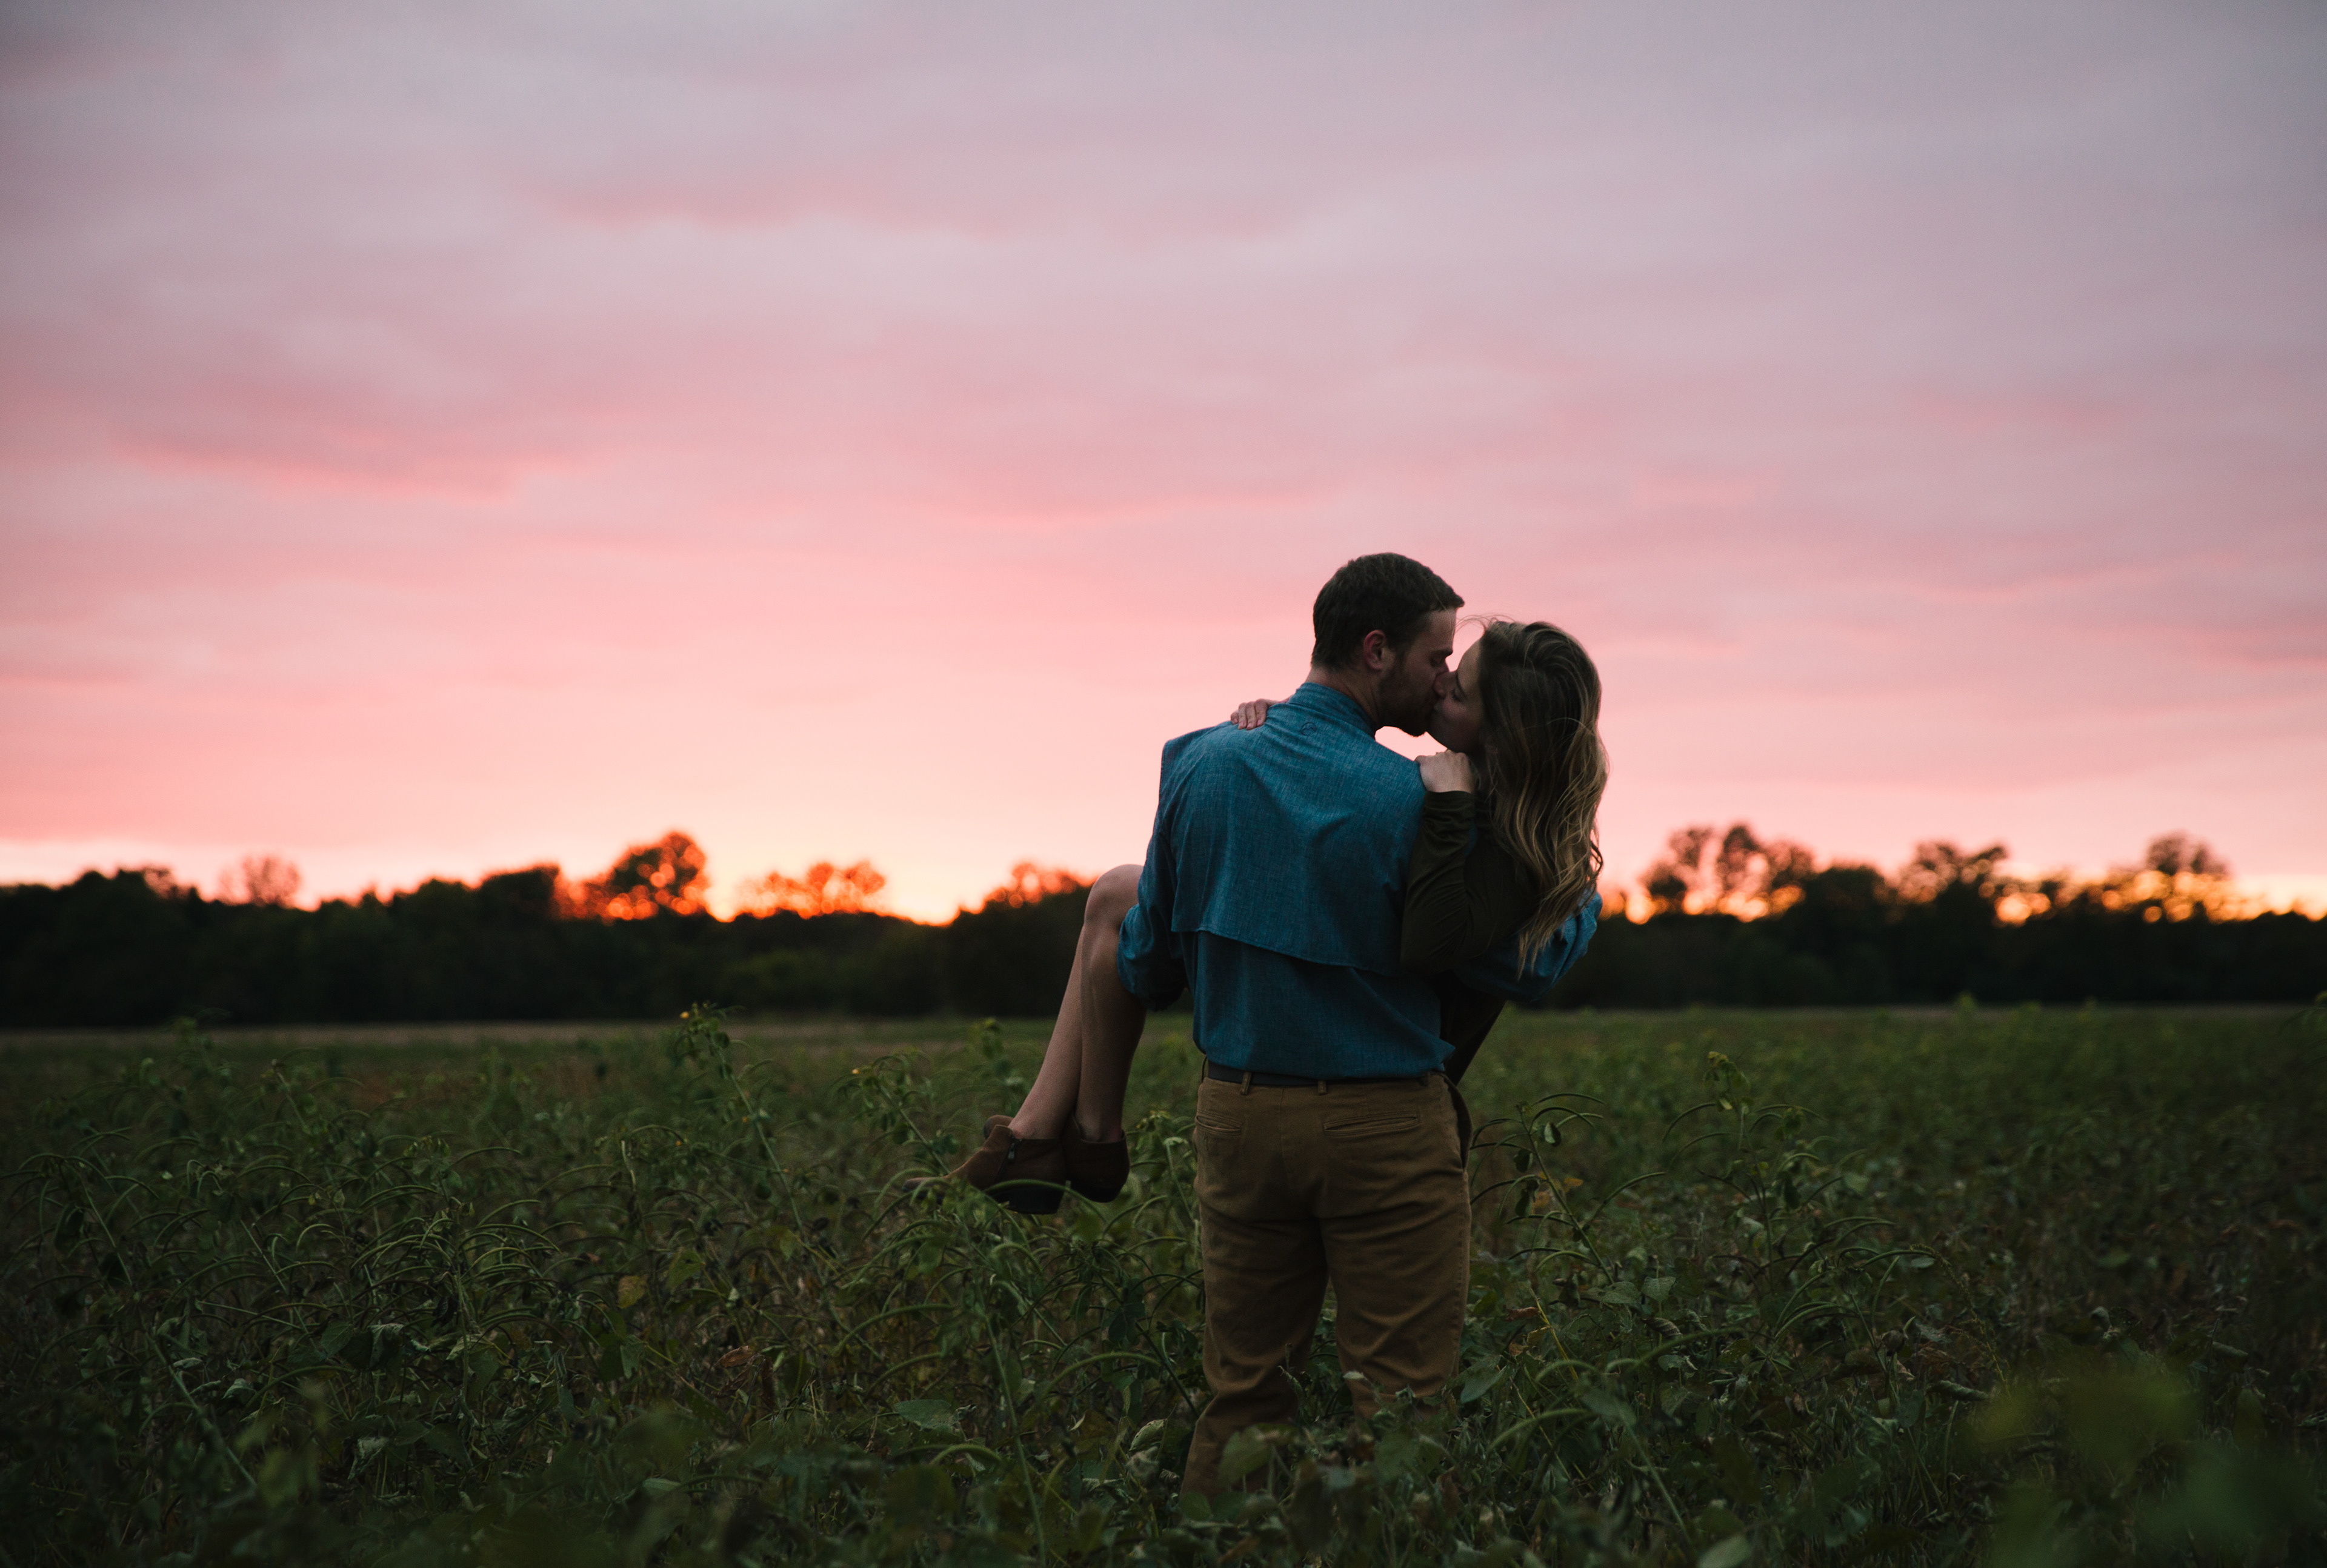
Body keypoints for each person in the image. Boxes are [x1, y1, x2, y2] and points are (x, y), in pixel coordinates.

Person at [933, 552, 1601, 1497]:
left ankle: (1222, 1539)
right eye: (1438, 660)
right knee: (1403, 1407)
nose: (1444, 678)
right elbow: (1518, 961)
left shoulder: (1206, 759)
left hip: (1241, 1118)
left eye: (1458, 672)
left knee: (1243, 1398)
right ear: (1379, 651)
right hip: (1385, 1126)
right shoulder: (1428, 807)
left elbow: (1148, 962)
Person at [937, 600, 1607, 1220]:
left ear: (1504, 736)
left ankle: (1080, 1139)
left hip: (1389, 1069)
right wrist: (1289, 727)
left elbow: (1487, 945)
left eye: (1458, 688)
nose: (1441, 683)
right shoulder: (1454, 786)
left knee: (1123, 901)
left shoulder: (1504, 844)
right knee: (1115, 891)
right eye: (1447, 666)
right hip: (1349, 1012)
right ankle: (1044, 1135)